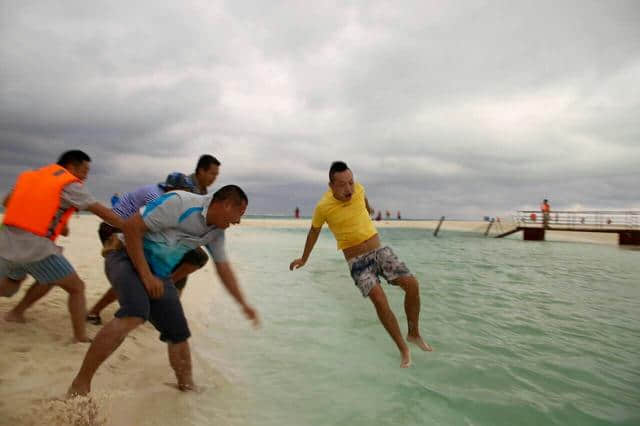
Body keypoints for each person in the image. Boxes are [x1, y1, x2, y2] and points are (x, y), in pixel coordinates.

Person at [68, 185, 259, 396]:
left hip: (159, 272)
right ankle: (80, 384)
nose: (238, 221)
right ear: (227, 204)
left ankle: (187, 389)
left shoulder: (216, 233)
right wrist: (146, 276)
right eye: (239, 214)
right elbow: (131, 228)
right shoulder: (180, 203)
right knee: (134, 313)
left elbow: (223, 269)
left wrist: (243, 304)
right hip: (125, 255)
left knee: (178, 332)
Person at [289, 161, 432, 368]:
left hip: (380, 252)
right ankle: (403, 348)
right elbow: (314, 231)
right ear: (331, 186)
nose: (349, 189)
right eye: (343, 185)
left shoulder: (359, 190)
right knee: (379, 300)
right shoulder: (323, 207)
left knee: (412, 284)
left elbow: (363, 200)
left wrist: (369, 207)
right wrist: (304, 258)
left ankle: (413, 333)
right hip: (358, 263)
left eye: (351, 182)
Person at [0, 150, 123, 342]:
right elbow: (102, 212)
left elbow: (7, 202)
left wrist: (48, 219)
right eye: (84, 170)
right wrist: (131, 227)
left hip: (6, 242)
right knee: (76, 288)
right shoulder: (69, 182)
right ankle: (80, 336)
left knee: (16, 286)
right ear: (71, 166)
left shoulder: (31, 176)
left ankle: (16, 313)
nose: (86, 176)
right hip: (36, 248)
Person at [84, 171, 215, 325]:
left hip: (133, 229)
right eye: (184, 193)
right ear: (172, 189)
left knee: (189, 258)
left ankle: (157, 293)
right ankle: (95, 311)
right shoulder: (156, 197)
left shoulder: (168, 197)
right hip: (114, 230)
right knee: (135, 275)